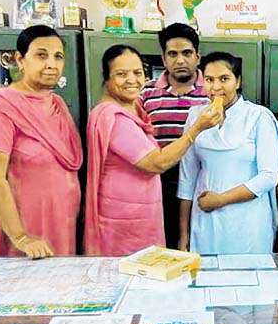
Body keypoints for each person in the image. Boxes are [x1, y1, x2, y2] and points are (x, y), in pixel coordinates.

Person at [85, 44, 221, 256]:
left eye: (137, 72)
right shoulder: (115, 118)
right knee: (129, 271)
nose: (132, 80)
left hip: (138, 215)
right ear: (107, 78)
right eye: (121, 74)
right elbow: (156, 163)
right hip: (124, 220)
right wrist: (195, 130)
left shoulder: (131, 109)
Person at [0, 25, 82, 259]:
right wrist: (21, 237)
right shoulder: (4, 108)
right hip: (26, 231)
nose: (51, 64)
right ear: (20, 60)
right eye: (41, 55)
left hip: (62, 222)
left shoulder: (57, 105)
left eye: (58, 56)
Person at [177, 51, 278, 254]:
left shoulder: (258, 116)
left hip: (248, 220)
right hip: (205, 216)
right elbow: (187, 179)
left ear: (238, 81)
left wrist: (221, 199)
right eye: (209, 80)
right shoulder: (196, 116)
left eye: (224, 79)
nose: (216, 87)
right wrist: (183, 234)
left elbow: (268, 176)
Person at [140, 23, 210, 249]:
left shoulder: (212, 92)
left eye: (187, 53)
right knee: (160, 247)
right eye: (173, 54)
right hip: (159, 183)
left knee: (195, 247)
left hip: (201, 184)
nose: (180, 60)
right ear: (163, 59)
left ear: (198, 57)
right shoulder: (146, 93)